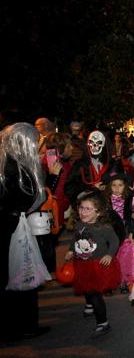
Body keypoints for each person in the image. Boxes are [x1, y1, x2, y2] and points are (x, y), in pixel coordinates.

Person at [0, 123, 49, 340]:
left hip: (9, 226)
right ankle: (24, 326)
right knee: (23, 274)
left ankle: (12, 327)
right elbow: (32, 199)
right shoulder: (18, 169)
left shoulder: (5, 165)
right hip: (14, 229)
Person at [65, 192, 121, 338]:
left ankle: (103, 323)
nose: (83, 212)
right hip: (81, 263)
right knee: (84, 285)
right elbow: (75, 239)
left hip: (97, 265)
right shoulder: (79, 224)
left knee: (95, 293)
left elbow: (115, 241)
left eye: (88, 209)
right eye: (81, 208)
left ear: (99, 212)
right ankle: (89, 304)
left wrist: (109, 254)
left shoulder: (103, 228)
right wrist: (71, 250)